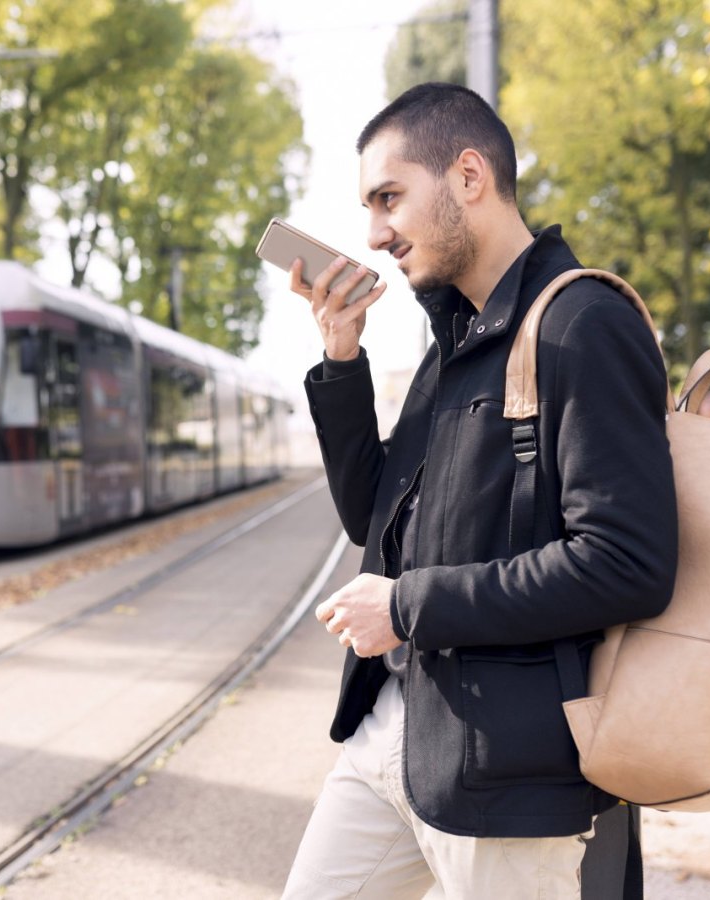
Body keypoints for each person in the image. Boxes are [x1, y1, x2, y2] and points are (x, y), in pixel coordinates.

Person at [281, 83, 678, 899]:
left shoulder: (581, 325)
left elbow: (625, 563)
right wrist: (343, 357)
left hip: (507, 774)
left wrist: (404, 607)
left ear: (468, 175)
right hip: (394, 734)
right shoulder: (457, 340)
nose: (374, 233)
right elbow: (371, 518)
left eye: (389, 197)